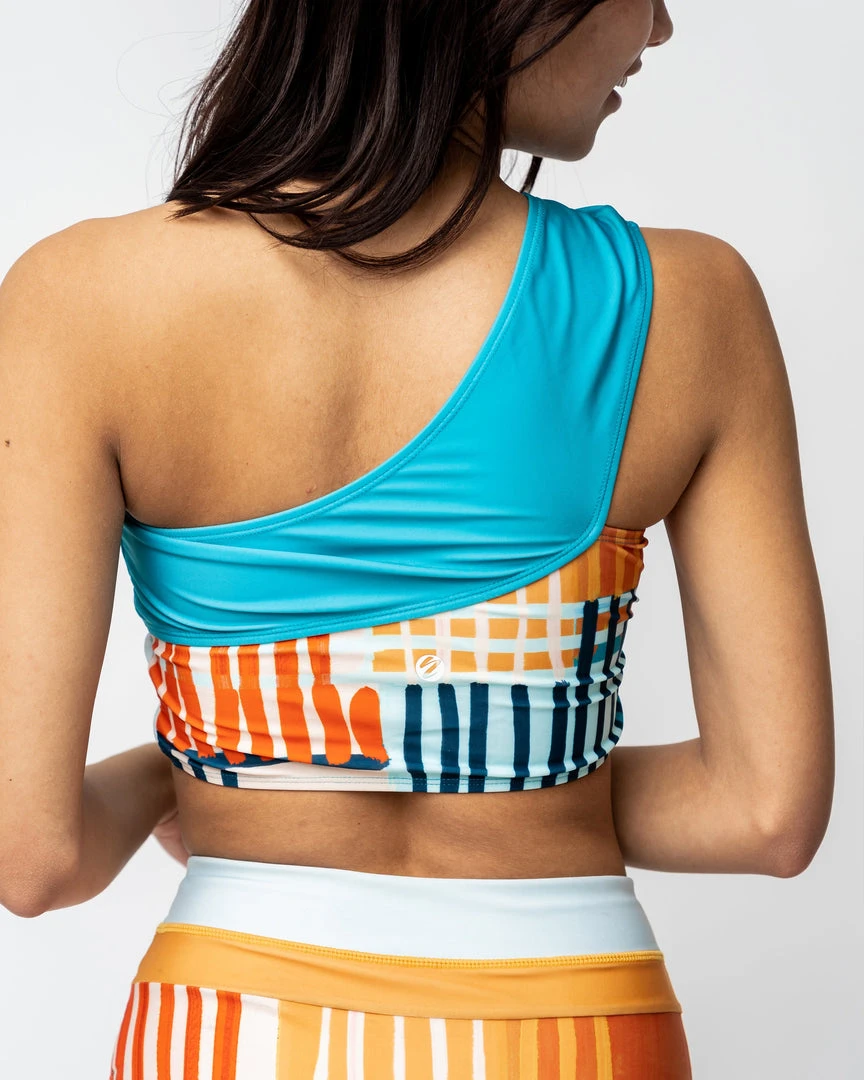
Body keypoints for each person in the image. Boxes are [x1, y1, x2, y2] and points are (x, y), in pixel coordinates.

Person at [0, 1, 834, 1076]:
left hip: (233, 1026)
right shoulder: (689, 302)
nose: (662, 26)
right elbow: (764, 812)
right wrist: (518, 767)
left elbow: (33, 857)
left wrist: (185, 773)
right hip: (573, 1025)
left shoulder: (80, 300)